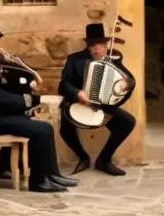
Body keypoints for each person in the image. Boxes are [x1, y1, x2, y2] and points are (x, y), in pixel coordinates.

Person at [0, 19, 78, 193]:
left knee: (43, 128)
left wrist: (28, 86)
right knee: (43, 130)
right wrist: (26, 102)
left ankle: (52, 174)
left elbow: (7, 86)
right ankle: (38, 182)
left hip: (2, 116)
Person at [58, 23, 136, 177]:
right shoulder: (74, 59)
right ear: (88, 46)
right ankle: (83, 157)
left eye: (100, 45)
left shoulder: (114, 60)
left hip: (104, 104)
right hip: (77, 103)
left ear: (105, 44)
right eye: (93, 45)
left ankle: (104, 160)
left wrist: (122, 86)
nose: (97, 49)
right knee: (65, 129)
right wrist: (77, 93)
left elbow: (129, 82)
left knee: (128, 122)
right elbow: (63, 86)